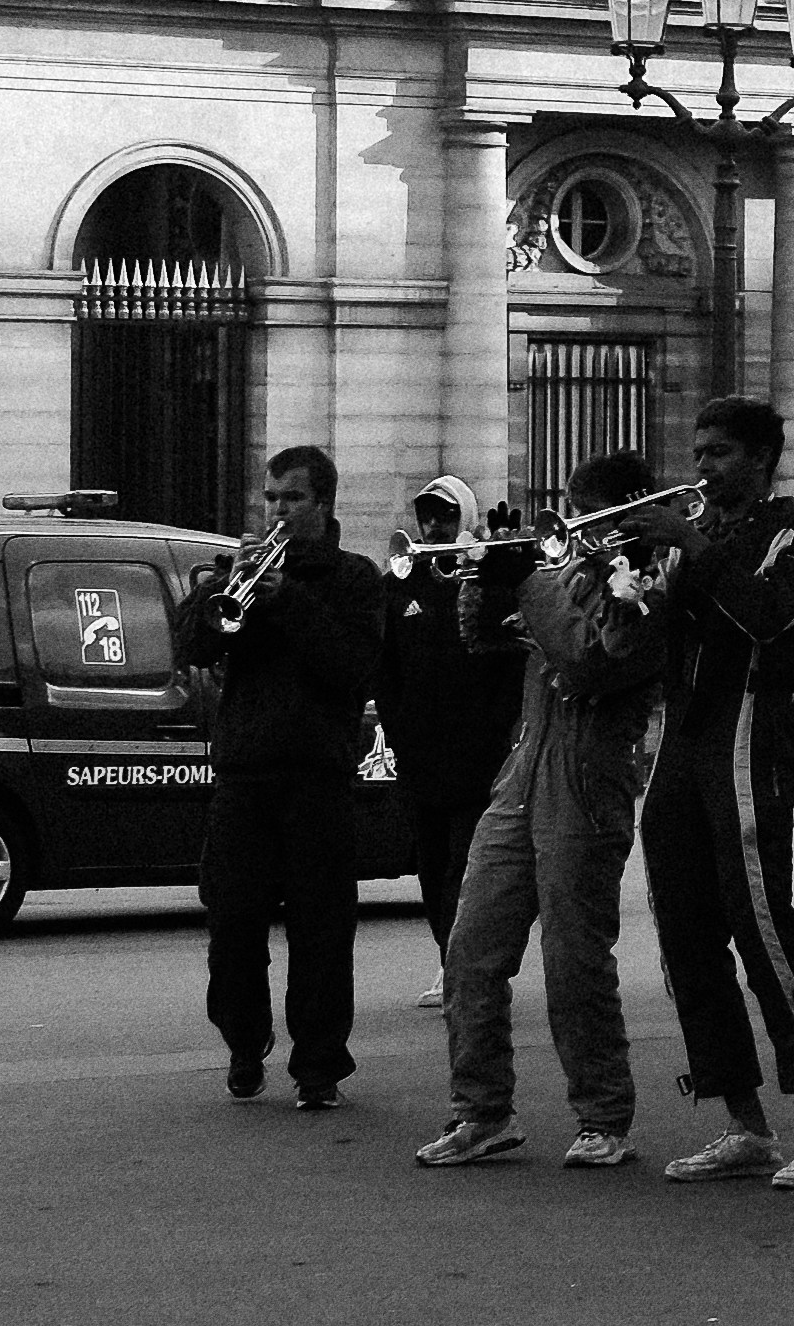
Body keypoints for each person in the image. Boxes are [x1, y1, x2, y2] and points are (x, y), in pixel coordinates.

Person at [630, 398, 794, 1171]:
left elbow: (766, 616)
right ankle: (745, 1121)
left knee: (760, 920)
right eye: (697, 451)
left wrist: (690, 546)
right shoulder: (696, 536)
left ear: (762, 459)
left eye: (719, 452)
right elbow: (647, 642)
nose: (702, 466)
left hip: (749, 731)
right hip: (682, 738)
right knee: (684, 932)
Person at [430, 454, 669, 1174]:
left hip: (589, 779)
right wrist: (489, 574)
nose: (578, 524)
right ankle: (482, 1112)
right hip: (524, 770)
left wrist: (530, 586)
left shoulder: (647, 584)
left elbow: (597, 659)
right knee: (471, 948)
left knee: (573, 959)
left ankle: (602, 1117)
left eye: (586, 509)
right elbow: (482, 638)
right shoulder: (563, 574)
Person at [180, 446, 390, 1109]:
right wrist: (220, 591)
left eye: (290, 500)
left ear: (322, 504)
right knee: (231, 926)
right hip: (243, 775)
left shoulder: (355, 580)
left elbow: (352, 669)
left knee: (322, 932)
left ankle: (318, 1065)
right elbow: (192, 646)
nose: (276, 511)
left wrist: (290, 600)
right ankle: (245, 1044)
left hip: (316, 779)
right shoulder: (234, 571)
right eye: (270, 499)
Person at [377, 478, 527, 1007]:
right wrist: (397, 730)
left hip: (475, 754)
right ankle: (450, 958)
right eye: (426, 516)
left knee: (464, 867)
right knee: (430, 863)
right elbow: (386, 663)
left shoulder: (483, 576)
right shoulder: (403, 579)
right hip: (421, 753)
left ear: (463, 518)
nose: (433, 526)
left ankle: (464, 966)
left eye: (444, 516)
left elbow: (509, 661)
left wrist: (495, 733)